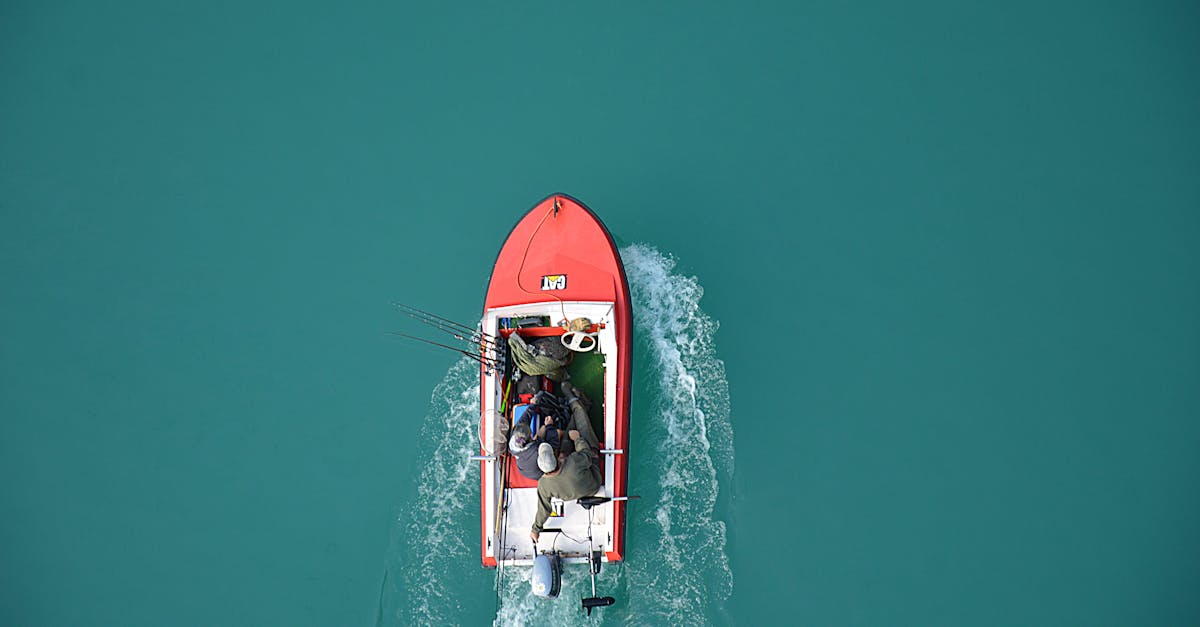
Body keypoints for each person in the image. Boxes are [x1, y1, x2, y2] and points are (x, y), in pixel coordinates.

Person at [529, 382, 603, 542]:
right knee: (580, 420)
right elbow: (587, 454)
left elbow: (544, 510)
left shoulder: (543, 485)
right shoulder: (574, 462)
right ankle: (576, 401)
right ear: (556, 459)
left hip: (575, 490)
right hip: (593, 481)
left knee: (570, 428)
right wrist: (578, 440)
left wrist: (536, 529)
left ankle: (577, 407)